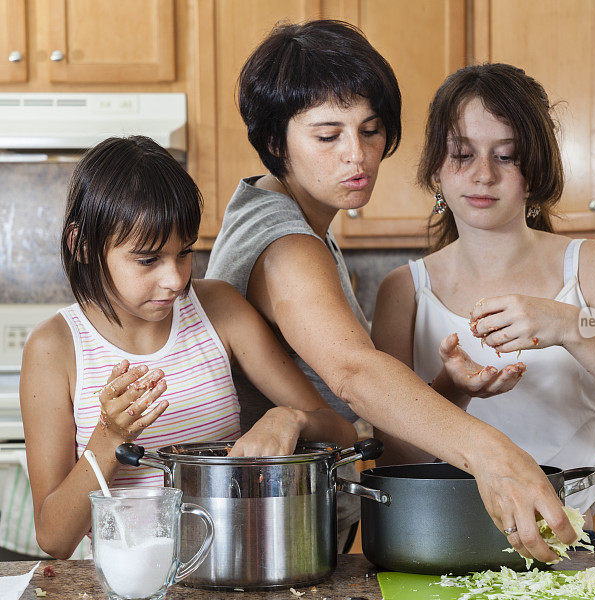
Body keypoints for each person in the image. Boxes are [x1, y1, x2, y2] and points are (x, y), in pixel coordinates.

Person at [205, 19, 576, 562]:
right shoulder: (286, 243)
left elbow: (357, 416)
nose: (356, 154)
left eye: (371, 130)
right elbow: (354, 373)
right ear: (273, 141)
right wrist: (492, 454)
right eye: (328, 135)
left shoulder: (276, 213)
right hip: (272, 539)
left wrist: (447, 390)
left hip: (284, 530)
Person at [370, 63, 595, 535]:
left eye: (507, 156)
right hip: (442, 534)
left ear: (536, 170)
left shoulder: (592, 264)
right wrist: (454, 387)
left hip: (570, 534)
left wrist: (568, 326)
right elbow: (394, 457)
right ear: (436, 168)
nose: (483, 176)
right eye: (462, 153)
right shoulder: (403, 290)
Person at [20, 136, 357, 560]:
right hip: (125, 587)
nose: (176, 280)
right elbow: (54, 538)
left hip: (237, 565)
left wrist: (288, 418)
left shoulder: (219, 310)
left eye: (184, 253)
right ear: (81, 245)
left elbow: (341, 431)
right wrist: (111, 438)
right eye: (147, 260)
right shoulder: (54, 348)